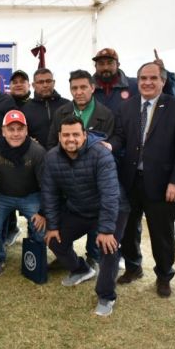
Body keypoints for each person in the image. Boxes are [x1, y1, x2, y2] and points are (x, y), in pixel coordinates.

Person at [107, 62, 175, 297]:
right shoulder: (126, 107)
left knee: (161, 232)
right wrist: (109, 145)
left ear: (163, 81)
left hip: (164, 184)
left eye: (153, 78)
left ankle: (164, 275)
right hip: (130, 180)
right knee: (127, 229)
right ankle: (133, 267)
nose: (147, 82)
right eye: (143, 78)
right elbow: (120, 138)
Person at [42, 116, 126, 316]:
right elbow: (50, 193)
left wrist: (106, 230)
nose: (71, 139)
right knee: (54, 240)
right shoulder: (52, 157)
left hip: (113, 208)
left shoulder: (101, 154)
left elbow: (110, 194)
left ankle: (106, 296)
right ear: (59, 137)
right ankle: (81, 269)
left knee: (108, 248)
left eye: (76, 134)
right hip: (79, 208)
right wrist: (52, 226)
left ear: (85, 135)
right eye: (66, 135)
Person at [46, 69, 114, 270]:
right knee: (72, 219)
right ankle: (68, 257)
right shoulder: (61, 112)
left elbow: (108, 144)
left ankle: (94, 256)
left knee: (95, 216)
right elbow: (52, 142)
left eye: (83, 87)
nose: (79, 91)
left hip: (94, 177)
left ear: (93, 88)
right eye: (74, 88)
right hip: (68, 177)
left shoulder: (105, 114)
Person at [0, 110, 46, 276]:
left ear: (26, 131)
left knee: (41, 228)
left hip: (30, 196)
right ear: (3, 131)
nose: (16, 133)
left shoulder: (37, 151)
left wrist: (42, 213)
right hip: (2, 195)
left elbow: (47, 185)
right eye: (11, 129)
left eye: (20, 129)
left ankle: (36, 254)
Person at [92, 48, 175, 114]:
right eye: (101, 64)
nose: (105, 67)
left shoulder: (135, 85)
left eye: (110, 63)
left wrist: (164, 73)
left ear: (118, 65)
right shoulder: (87, 89)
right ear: (95, 66)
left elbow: (167, 100)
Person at [21, 68, 69, 148]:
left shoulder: (67, 105)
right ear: (33, 85)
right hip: (37, 157)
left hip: (65, 155)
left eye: (48, 81)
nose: (45, 85)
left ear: (54, 83)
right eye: (40, 82)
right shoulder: (25, 109)